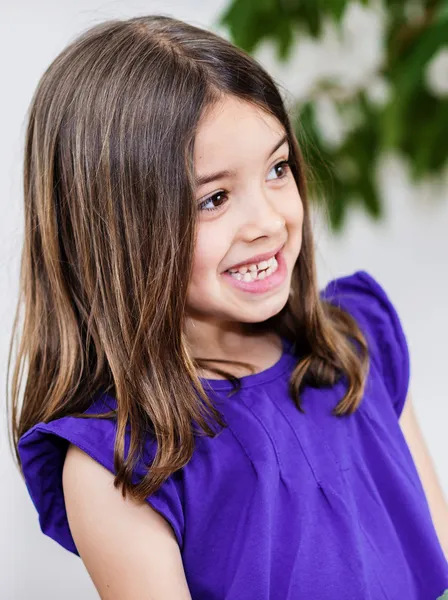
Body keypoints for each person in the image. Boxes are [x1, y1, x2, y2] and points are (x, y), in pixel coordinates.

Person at [7, 13, 448, 600]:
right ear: (116, 232)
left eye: (278, 168)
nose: (267, 221)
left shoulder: (357, 343)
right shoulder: (119, 462)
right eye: (214, 198)